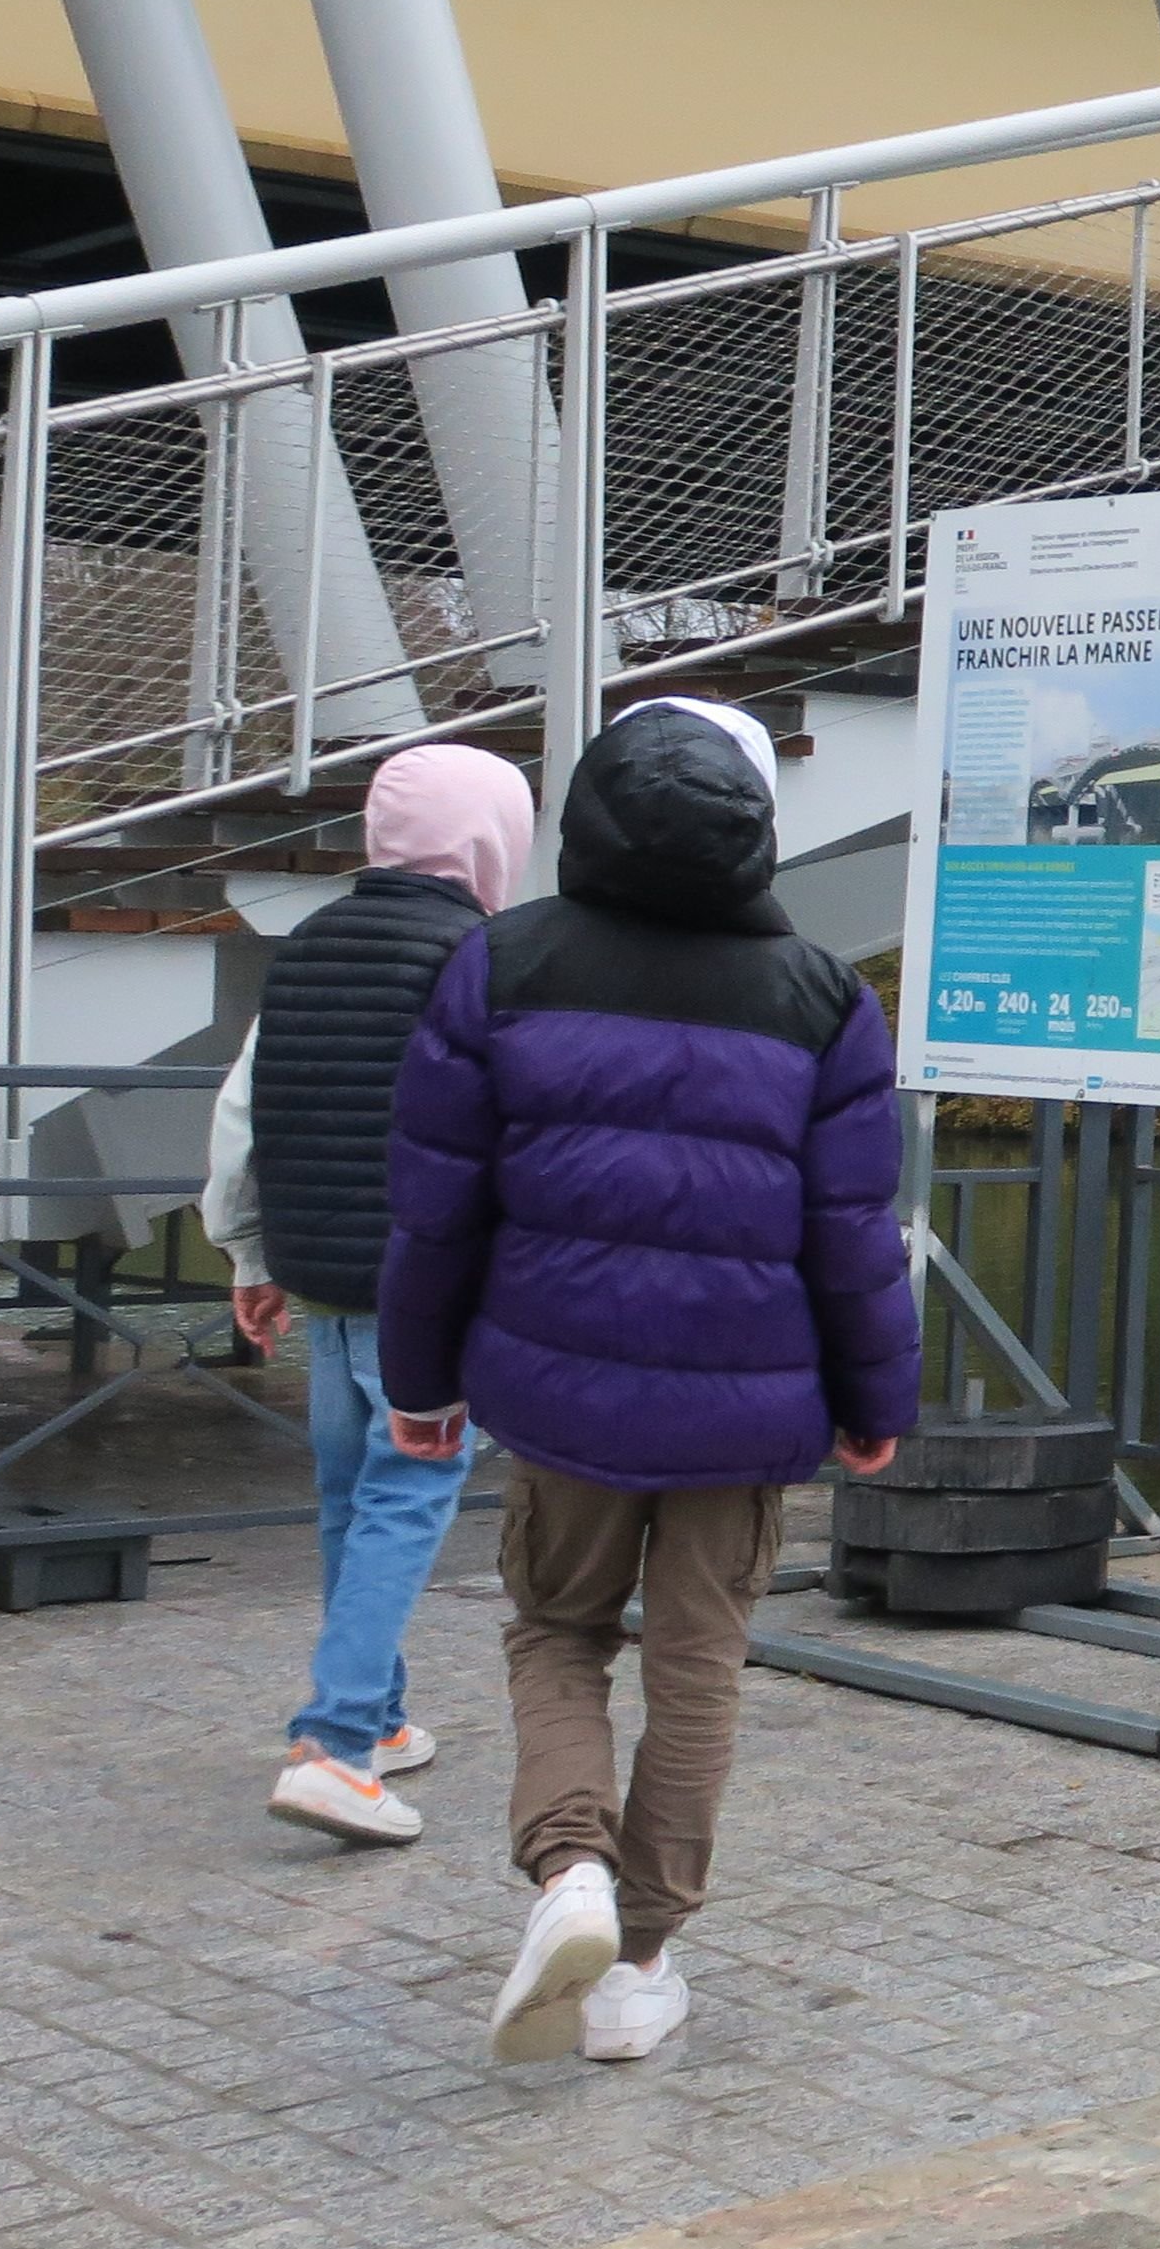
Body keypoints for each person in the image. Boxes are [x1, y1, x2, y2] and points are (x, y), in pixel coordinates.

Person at [381, 696, 919, 2066]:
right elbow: (851, 1237)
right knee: (700, 1667)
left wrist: (421, 1380)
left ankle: (570, 1870)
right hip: (747, 1408)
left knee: (557, 1631)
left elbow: (437, 1210)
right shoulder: (822, 997)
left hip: (558, 1394)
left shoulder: (500, 967)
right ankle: (642, 1964)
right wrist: (876, 1404)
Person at [205, 745, 538, 1848]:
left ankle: (383, 1720)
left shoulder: (300, 951)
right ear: (496, 839)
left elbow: (245, 1112)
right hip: (426, 1284)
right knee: (409, 1494)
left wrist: (249, 1257)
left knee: (351, 1495)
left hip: (322, 1269)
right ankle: (336, 1744)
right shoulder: (479, 958)